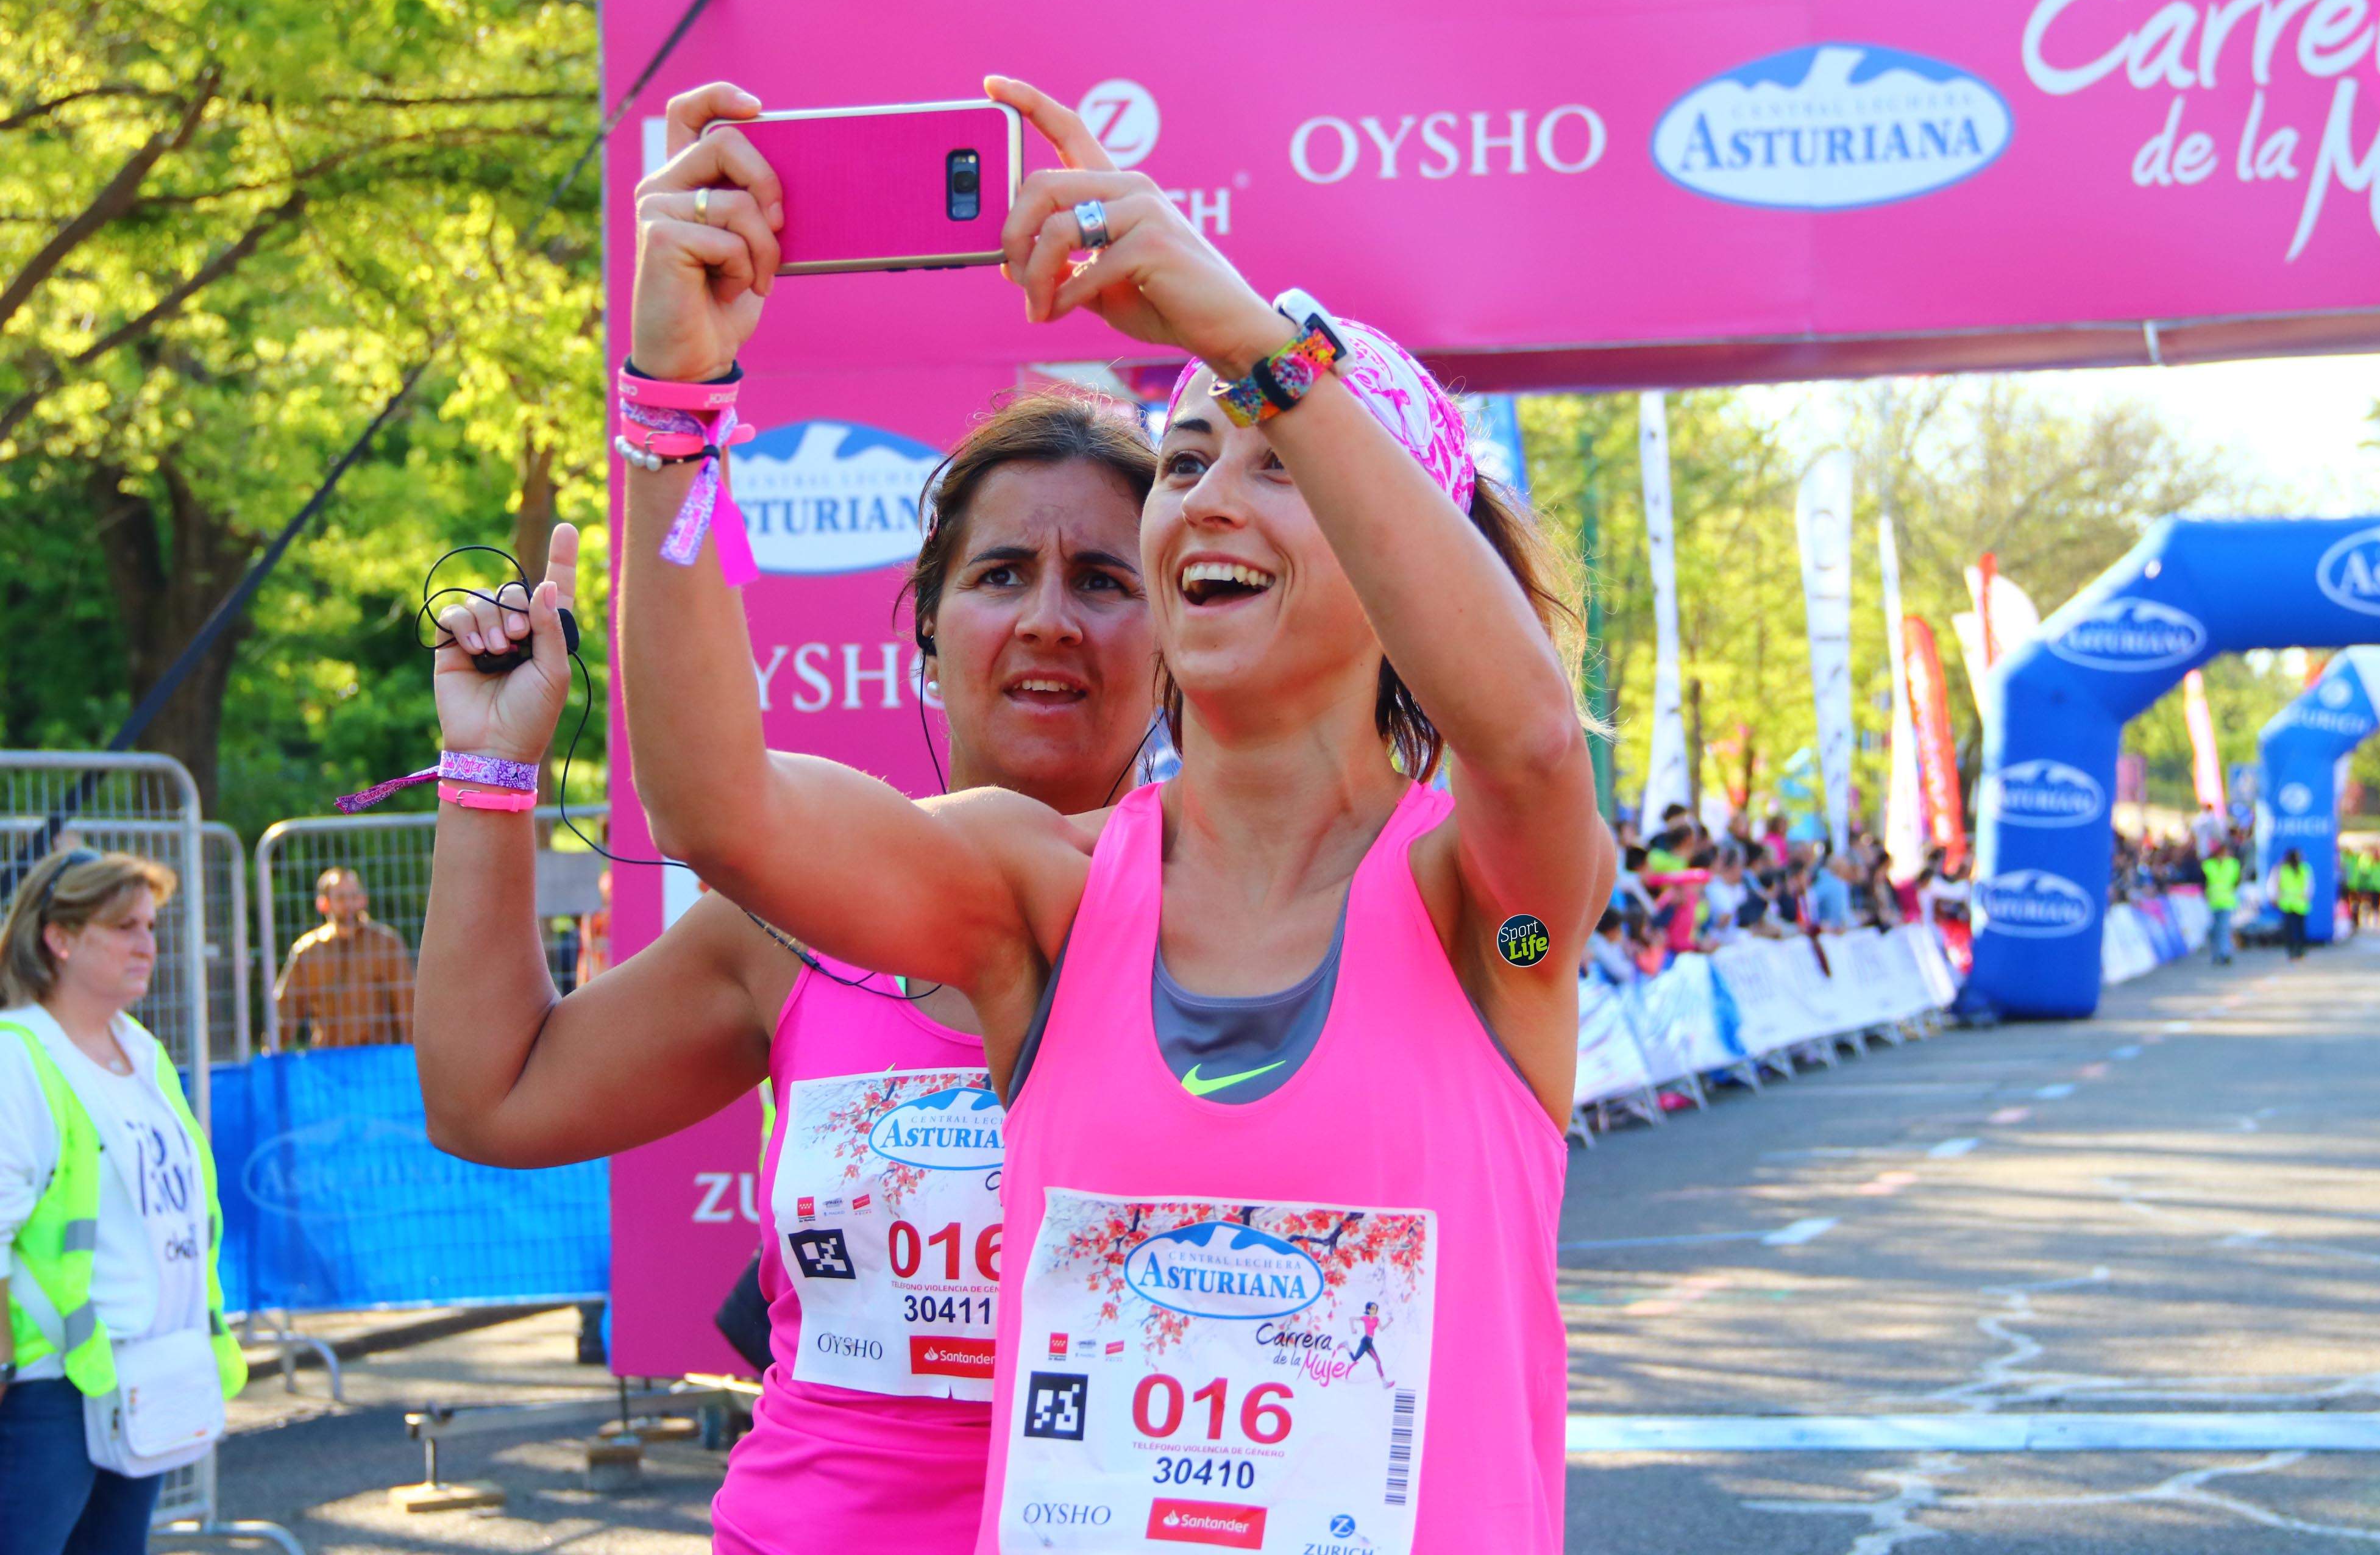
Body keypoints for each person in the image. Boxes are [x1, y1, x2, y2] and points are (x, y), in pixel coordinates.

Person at [617, 77, 1610, 1554]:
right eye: (1193, 457)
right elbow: (724, 810)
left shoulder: (1487, 902)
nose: (1209, 496)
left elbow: (1527, 737)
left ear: (1401, 553)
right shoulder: (1048, 891)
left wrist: (1247, 339)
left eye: (1279, 463)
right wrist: (674, 404)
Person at [411, 379, 1163, 1551]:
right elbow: (488, 1096)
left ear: (1178, 633)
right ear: (926, 625)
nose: (1048, 619)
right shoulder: (787, 925)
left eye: (1105, 581)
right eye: (1001, 573)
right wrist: (489, 772)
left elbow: (1526, 919)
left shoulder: (1243, 919)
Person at [1, 848, 247, 1555]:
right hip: (49, 1385)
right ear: (60, 937)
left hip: (141, 1370)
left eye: (150, 924)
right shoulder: (17, 1056)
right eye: (125, 926)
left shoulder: (139, 1049)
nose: (148, 944)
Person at [272, 867, 415, 1049]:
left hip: (379, 1057)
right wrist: (273, 1055)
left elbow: (408, 1003)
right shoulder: (308, 951)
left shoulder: (386, 943)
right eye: (340, 898)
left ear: (363, 900)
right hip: (328, 1061)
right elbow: (286, 1009)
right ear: (323, 903)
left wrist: (412, 1055)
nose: (349, 904)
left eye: (354, 896)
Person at [2201, 844, 2240, 966]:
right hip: (2212, 902)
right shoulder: (2208, 865)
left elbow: (2236, 881)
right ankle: (2216, 954)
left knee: (2223, 929)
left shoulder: (2233, 865)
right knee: (2214, 930)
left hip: (2227, 901)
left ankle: (2225, 954)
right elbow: (2204, 881)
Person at [2273, 847, 2312, 959]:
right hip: (2288, 904)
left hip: (2300, 904)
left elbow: (2309, 885)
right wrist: (2276, 897)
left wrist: (2307, 896)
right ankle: (2292, 950)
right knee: (2290, 930)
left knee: (2300, 929)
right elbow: (2275, 884)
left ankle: (2300, 949)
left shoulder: (2304, 869)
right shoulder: (2282, 869)